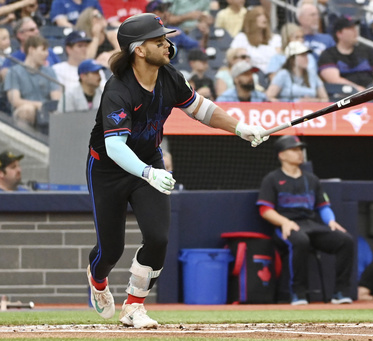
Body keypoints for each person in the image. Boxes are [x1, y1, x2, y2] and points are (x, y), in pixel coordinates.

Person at [85, 13, 267, 329]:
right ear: (139, 50)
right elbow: (115, 148)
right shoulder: (118, 89)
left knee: (157, 237)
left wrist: (240, 128)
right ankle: (97, 279)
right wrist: (147, 173)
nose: (168, 45)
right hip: (109, 170)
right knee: (110, 250)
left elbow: (201, 109)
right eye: (159, 41)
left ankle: (133, 306)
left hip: (149, 161)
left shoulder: (169, 76)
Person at [256, 135, 355, 305]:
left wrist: (331, 221)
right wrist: (284, 222)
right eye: (294, 150)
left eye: (300, 149)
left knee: (345, 240)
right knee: (300, 241)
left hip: (311, 225)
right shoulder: (272, 179)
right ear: (282, 155)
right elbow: (265, 210)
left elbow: (323, 207)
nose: (299, 153)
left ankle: (340, 292)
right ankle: (298, 293)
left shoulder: (312, 179)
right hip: (285, 227)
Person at [318, 16, 373, 93]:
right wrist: (357, 89)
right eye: (350, 28)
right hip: (345, 96)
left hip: (372, 94)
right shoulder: (328, 55)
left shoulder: (366, 50)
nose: (355, 31)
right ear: (339, 34)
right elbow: (334, 80)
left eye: (355, 27)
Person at [4, 35, 62, 127]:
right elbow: (15, 101)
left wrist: (47, 108)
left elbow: (56, 99)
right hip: (23, 111)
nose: (46, 54)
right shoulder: (14, 72)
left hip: (47, 112)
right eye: (43, 50)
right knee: (27, 110)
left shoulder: (49, 71)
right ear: (31, 50)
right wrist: (41, 105)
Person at [229, 5, 282, 72]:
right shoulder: (241, 38)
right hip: (249, 74)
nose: (263, 18)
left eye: (265, 15)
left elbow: (280, 59)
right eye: (259, 15)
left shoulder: (276, 39)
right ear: (251, 20)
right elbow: (232, 58)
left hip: (273, 75)